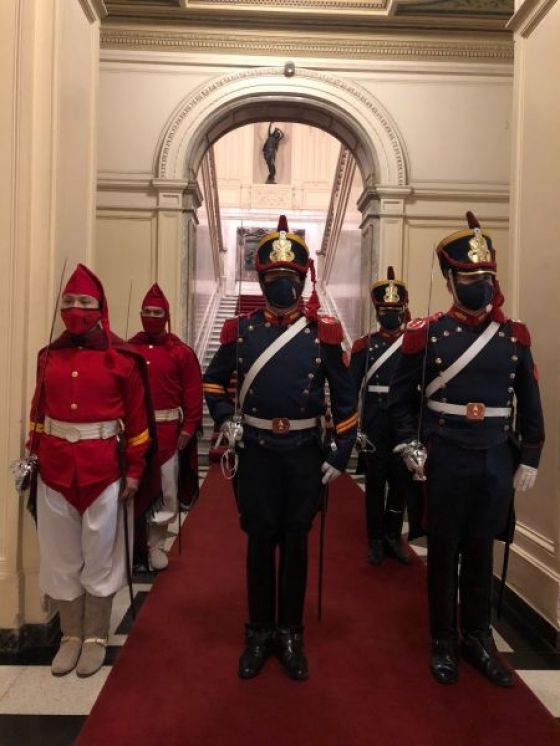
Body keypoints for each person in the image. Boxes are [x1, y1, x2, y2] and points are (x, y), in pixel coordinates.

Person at [389, 213, 545, 687]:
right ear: (451, 279)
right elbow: (401, 402)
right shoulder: (426, 334)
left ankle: (478, 637)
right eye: (470, 277)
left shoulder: (512, 335)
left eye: (486, 277)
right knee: (443, 550)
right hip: (446, 455)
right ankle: (443, 640)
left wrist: (532, 454)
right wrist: (408, 444)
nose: (480, 285)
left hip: (495, 455)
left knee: (480, 547)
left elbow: (529, 400)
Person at [203, 215, 357, 681]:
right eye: (275, 279)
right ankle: (258, 632)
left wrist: (338, 453)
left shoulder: (323, 334)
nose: (284, 286)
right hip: (257, 454)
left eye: (291, 279)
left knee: (295, 545)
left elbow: (346, 402)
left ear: (303, 278)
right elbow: (211, 382)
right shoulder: (241, 332)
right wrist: (227, 421)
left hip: (305, 455)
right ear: (261, 279)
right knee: (258, 543)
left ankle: (290, 633)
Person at [27, 264, 156, 678]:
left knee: (100, 554)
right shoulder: (47, 357)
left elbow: (137, 424)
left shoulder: (124, 359)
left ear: (101, 307)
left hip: (104, 468)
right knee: (60, 555)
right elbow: (37, 414)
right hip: (55, 468)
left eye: (85, 303)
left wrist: (134, 472)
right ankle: (70, 635)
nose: (76, 309)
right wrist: (33, 456)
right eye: (69, 302)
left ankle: (96, 636)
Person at [128, 283, 202, 570]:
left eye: (157, 312)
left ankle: (155, 544)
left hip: (168, 434)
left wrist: (189, 428)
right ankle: (133, 548)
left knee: (166, 491)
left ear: (166, 314)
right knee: (133, 490)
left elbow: (193, 393)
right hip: (134, 434)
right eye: (146, 312)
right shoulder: (128, 349)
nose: (151, 316)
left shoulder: (180, 352)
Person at [350, 267, 417, 566]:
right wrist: (350, 427)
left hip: (404, 424)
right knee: (375, 485)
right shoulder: (365, 345)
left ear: (404, 310)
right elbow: (350, 387)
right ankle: (375, 539)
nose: (390, 314)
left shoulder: (415, 344)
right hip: (375, 423)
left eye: (395, 309)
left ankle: (393, 536)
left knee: (401, 484)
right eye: (385, 309)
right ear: (377, 311)